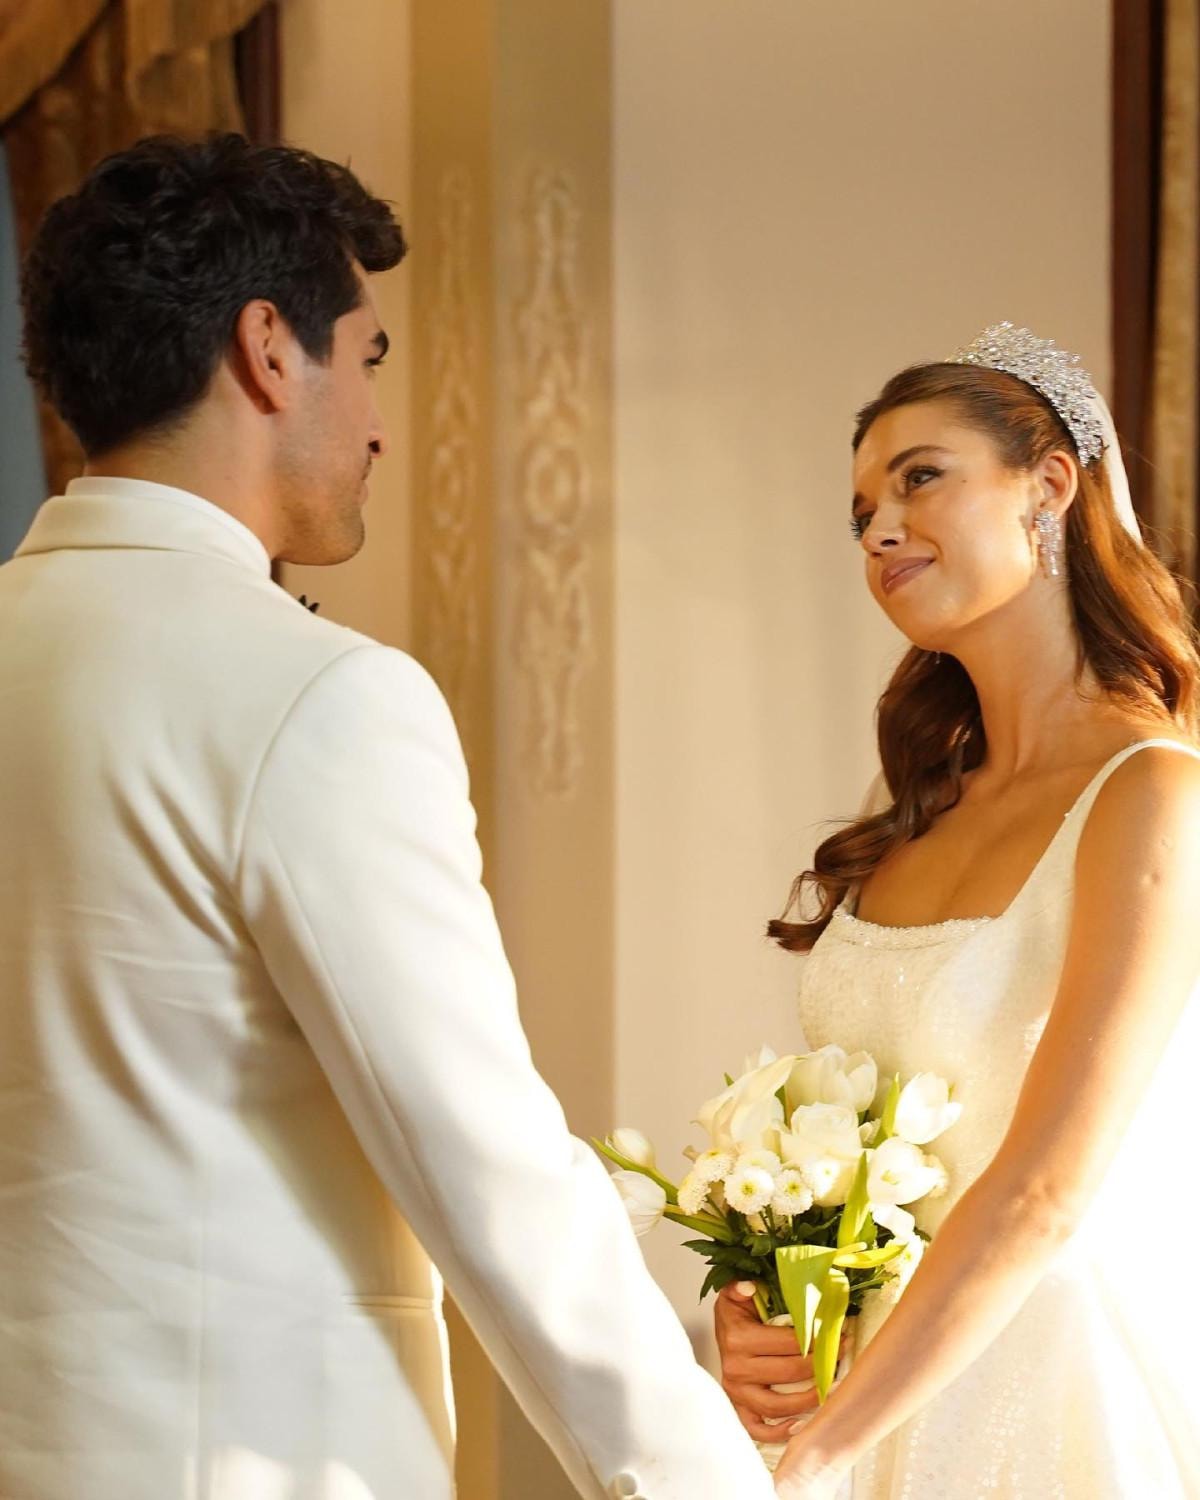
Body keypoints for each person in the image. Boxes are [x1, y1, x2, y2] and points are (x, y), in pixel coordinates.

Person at [0, 133, 779, 1500]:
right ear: (267, 350)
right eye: (367, 359)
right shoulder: (320, 697)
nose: (375, 424)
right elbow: (483, 1164)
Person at [715, 325, 1200, 1498]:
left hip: (1041, 1398)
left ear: (1049, 485)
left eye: (920, 477)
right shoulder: (919, 811)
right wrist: (765, 1293)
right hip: (870, 1390)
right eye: (861, 513)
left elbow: (1047, 1189)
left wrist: (817, 1456)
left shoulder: (1151, 795)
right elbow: (856, 1138)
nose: (879, 529)